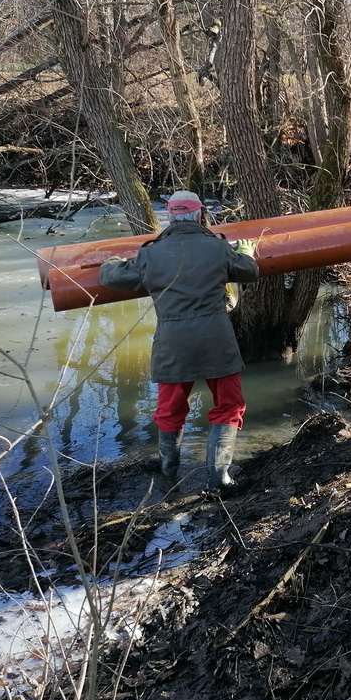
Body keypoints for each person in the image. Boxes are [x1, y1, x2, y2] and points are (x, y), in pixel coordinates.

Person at [99, 192, 260, 489]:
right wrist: (247, 251)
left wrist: (111, 260)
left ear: (170, 217)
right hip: (216, 338)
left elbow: (111, 278)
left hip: (173, 342)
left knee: (170, 408)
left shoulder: (151, 253)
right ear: (200, 216)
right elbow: (248, 271)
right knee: (229, 404)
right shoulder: (218, 247)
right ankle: (219, 477)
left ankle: (168, 473)